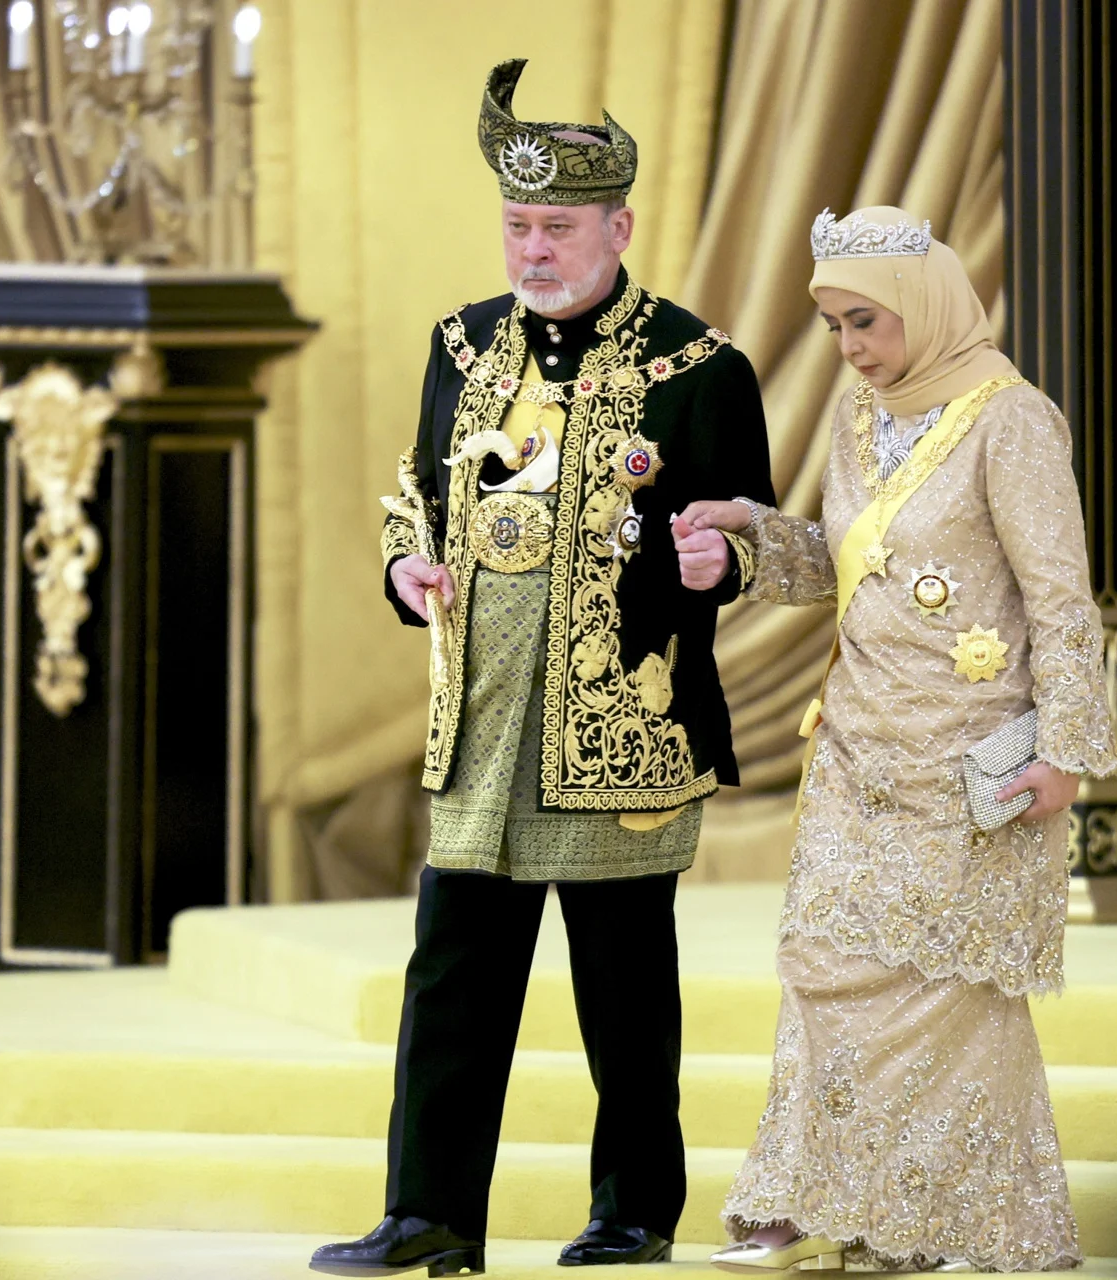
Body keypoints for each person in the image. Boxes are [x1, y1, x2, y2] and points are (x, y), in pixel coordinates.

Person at [309, 60, 775, 1278]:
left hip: (621, 724)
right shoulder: (460, 345)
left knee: (625, 989)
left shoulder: (699, 366)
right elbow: (414, 489)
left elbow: (754, 531)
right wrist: (406, 563)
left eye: (558, 228)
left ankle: (633, 1210)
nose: (533, 250)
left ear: (619, 227)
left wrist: (720, 557)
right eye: (517, 225)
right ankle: (428, 1212)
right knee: (450, 975)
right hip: (480, 720)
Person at [676, 206, 1117, 1274]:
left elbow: (1062, 600)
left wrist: (1065, 750)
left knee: (950, 1000)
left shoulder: (1012, 421)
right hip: (856, 744)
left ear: (923, 305)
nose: (849, 347)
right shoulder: (859, 416)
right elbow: (845, 562)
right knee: (821, 970)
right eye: (834, 326)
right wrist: (752, 534)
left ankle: (934, 1224)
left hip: (970, 759)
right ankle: (804, 1197)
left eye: (864, 321)